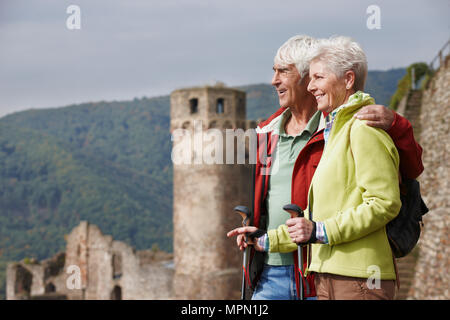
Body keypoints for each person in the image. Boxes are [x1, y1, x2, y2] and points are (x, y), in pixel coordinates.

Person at [227, 35, 423, 300]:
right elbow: (313, 216)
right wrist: (264, 240)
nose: (311, 87)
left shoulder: (362, 127)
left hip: (351, 274)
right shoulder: (275, 133)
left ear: (348, 79)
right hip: (319, 272)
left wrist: (398, 125)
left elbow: (385, 200)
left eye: (317, 78)